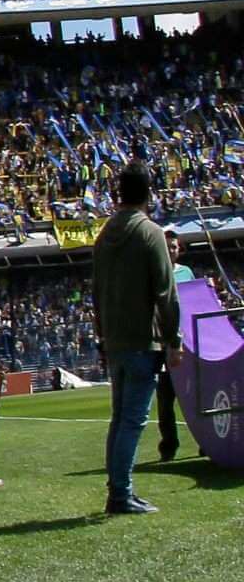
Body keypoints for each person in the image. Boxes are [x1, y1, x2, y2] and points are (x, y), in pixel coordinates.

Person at [91, 161, 182, 514]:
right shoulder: (150, 233)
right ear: (148, 193)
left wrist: (102, 336)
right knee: (132, 420)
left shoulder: (104, 234)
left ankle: (118, 488)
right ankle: (120, 494)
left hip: (115, 340)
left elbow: (96, 292)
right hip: (144, 340)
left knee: (119, 419)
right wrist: (174, 339)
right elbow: (166, 292)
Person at [156, 230, 194, 461]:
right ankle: (169, 446)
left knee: (194, 396)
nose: (171, 250)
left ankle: (205, 441)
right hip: (163, 344)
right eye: (167, 246)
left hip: (188, 343)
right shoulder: (154, 272)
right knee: (165, 399)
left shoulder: (186, 273)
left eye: (174, 246)